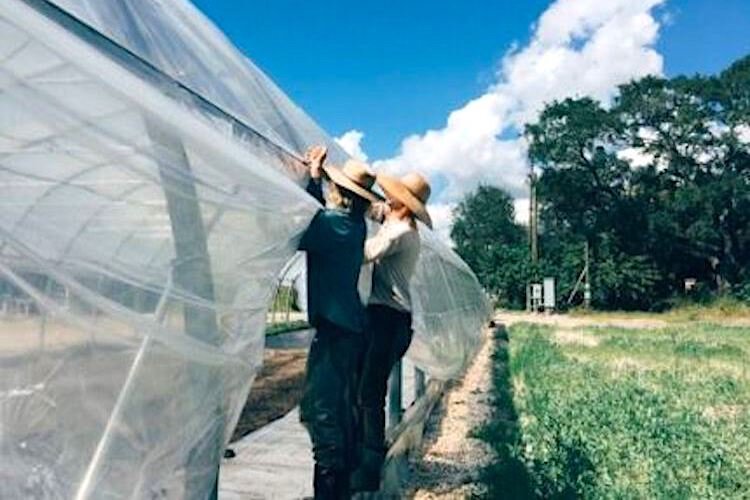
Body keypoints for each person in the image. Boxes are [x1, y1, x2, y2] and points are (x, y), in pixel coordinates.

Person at [297, 145, 381, 499]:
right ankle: (341, 489)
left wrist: (313, 179)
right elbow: (317, 221)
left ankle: (331, 493)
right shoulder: (355, 226)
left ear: (340, 192)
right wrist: (316, 179)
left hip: (336, 334)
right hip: (349, 330)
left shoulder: (337, 226)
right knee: (340, 413)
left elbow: (303, 227)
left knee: (324, 414)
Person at [350, 172, 432, 492]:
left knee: (369, 393)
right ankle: (366, 456)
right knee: (366, 387)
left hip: (387, 320)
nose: (387, 198)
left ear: (402, 203)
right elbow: (376, 210)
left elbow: (364, 253)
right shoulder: (398, 221)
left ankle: (369, 468)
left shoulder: (399, 232)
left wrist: (345, 228)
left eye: (393, 196)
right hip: (394, 320)